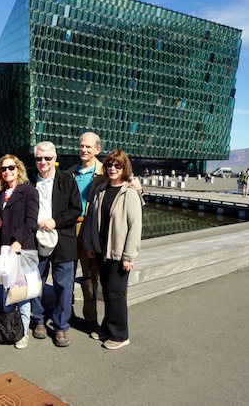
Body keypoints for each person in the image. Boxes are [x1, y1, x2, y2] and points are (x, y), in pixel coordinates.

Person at [83, 149, 142, 350]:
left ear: (124, 168)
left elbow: (135, 226)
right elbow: (92, 219)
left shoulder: (130, 192)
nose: (113, 169)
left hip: (118, 254)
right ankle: (107, 328)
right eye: (109, 165)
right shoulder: (102, 189)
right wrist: (90, 245)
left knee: (116, 294)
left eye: (117, 166)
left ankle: (120, 335)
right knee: (106, 292)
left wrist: (128, 256)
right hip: (101, 250)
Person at [30, 141, 82, 347]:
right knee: (36, 283)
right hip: (36, 240)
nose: (43, 162)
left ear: (55, 158)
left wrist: (55, 221)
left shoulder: (67, 180)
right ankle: (39, 320)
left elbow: (76, 209)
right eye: (39, 158)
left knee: (63, 285)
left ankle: (61, 326)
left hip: (62, 239)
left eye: (48, 158)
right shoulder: (29, 181)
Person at [0, 154, 39, 349]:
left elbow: (31, 222)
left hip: (22, 249)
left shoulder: (29, 191)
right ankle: (8, 328)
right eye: (3, 169)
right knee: (7, 290)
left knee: (22, 292)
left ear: (18, 169)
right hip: (5, 250)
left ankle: (23, 332)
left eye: (11, 168)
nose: (7, 171)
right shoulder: (1, 194)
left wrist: (19, 241)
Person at [65, 132, 105, 334]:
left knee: (90, 276)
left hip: (90, 229)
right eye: (81, 146)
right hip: (70, 227)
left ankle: (90, 319)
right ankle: (67, 315)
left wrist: (138, 187)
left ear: (97, 149)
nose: (84, 150)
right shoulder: (70, 172)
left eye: (88, 147)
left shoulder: (105, 173)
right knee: (67, 273)